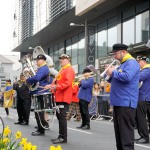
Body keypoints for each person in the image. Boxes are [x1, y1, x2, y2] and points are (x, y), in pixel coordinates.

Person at [106, 43, 140, 150]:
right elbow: (113, 79)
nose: (114, 56)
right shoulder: (122, 64)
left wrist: (113, 72)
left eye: (116, 53)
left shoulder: (132, 62)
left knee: (126, 137)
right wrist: (108, 73)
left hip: (126, 102)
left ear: (123, 52)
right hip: (118, 102)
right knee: (119, 136)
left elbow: (127, 77)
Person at [45, 54, 75, 144]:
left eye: (63, 59)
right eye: (60, 59)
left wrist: (55, 87)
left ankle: (63, 137)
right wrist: (51, 86)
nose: (61, 60)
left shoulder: (69, 69)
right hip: (60, 96)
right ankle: (61, 136)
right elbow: (58, 82)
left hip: (63, 97)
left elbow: (67, 83)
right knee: (60, 117)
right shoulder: (63, 69)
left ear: (68, 60)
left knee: (62, 118)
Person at [26, 54, 50, 136]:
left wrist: (28, 79)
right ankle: (41, 126)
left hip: (40, 91)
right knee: (38, 111)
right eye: (36, 60)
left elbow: (37, 78)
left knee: (39, 111)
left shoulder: (43, 68)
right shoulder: (41, 68)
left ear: (43, 60)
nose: (36, 61)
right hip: (38, 91)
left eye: (38, 60)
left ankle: (41, 129)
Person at [135, 56, 150, 144]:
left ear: (143, 62)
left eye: (139, 62)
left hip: (144, 97)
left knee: (141, 119)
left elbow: (138, 78)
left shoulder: (147, 70)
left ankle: (144, 137)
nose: (138, 64)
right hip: (146, 97)